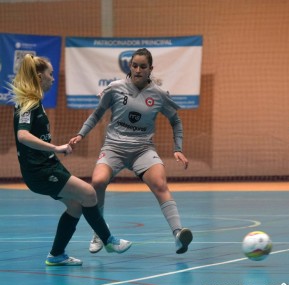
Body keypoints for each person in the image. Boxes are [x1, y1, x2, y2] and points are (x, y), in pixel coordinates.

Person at [10, 54, 132, 266]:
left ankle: (56, 255)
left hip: (48, 166)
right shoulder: (28, 104)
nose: (53, 78)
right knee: (89, 193)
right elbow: (23, 136)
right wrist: (56, 147)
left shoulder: (34, 102)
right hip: (41, 171)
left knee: (76, 205)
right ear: (39, 76)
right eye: (50, 74)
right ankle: (108, 240)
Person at [69, 48, 193, 255]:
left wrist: (177, 148)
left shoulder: (159, 95)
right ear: (130, 67)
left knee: (160, 183)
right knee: (97, 182)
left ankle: (178, 235)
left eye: (143, 66)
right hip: (114, 147)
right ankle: (99, 233)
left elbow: (176, 121)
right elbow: (97, 113)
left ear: (150, 69)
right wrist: (81, 135)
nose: (138, 69)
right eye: (134, 65)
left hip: (142, 149)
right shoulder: (115, 88)